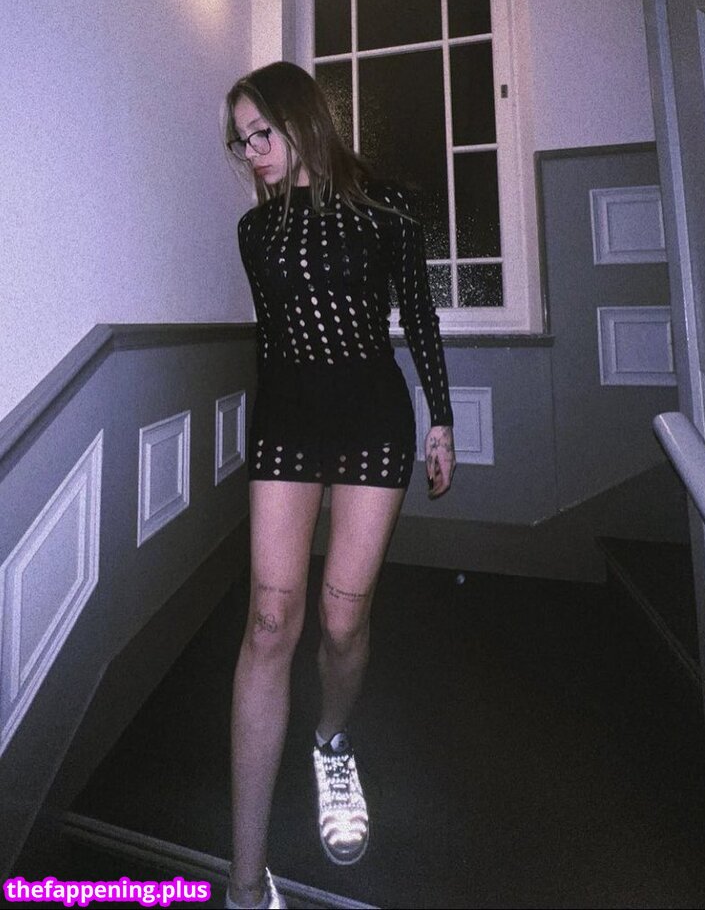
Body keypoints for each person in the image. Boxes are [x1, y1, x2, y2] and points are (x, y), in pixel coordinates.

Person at [223, 61, 456, 910]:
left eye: (262, 132)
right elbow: (272, 339)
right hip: (287, 420)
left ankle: (330, 741)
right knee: (269, 619)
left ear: (302, 117)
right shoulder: (255, 232)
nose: (252, 151)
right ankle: (245, 882)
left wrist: (440, 418)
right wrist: (261, 444)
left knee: (341, 616)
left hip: (370, 419)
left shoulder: (387, 207)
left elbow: (418, 317)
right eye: (240, 141)